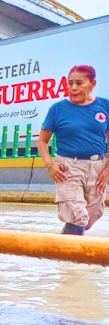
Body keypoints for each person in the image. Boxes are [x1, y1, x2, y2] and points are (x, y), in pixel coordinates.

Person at [37, 64, 109, 235]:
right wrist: (49, 165)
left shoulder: (105, 106)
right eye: (70, 83)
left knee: (91, 216)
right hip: (68, 167)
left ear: (92, 84)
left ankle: (60, 247)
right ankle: (70, 250)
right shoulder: (57, 109)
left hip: (98, 167)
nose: (73, 88)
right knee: (78, 216)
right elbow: (42, 141)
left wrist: (107, 170)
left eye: (79, 83)